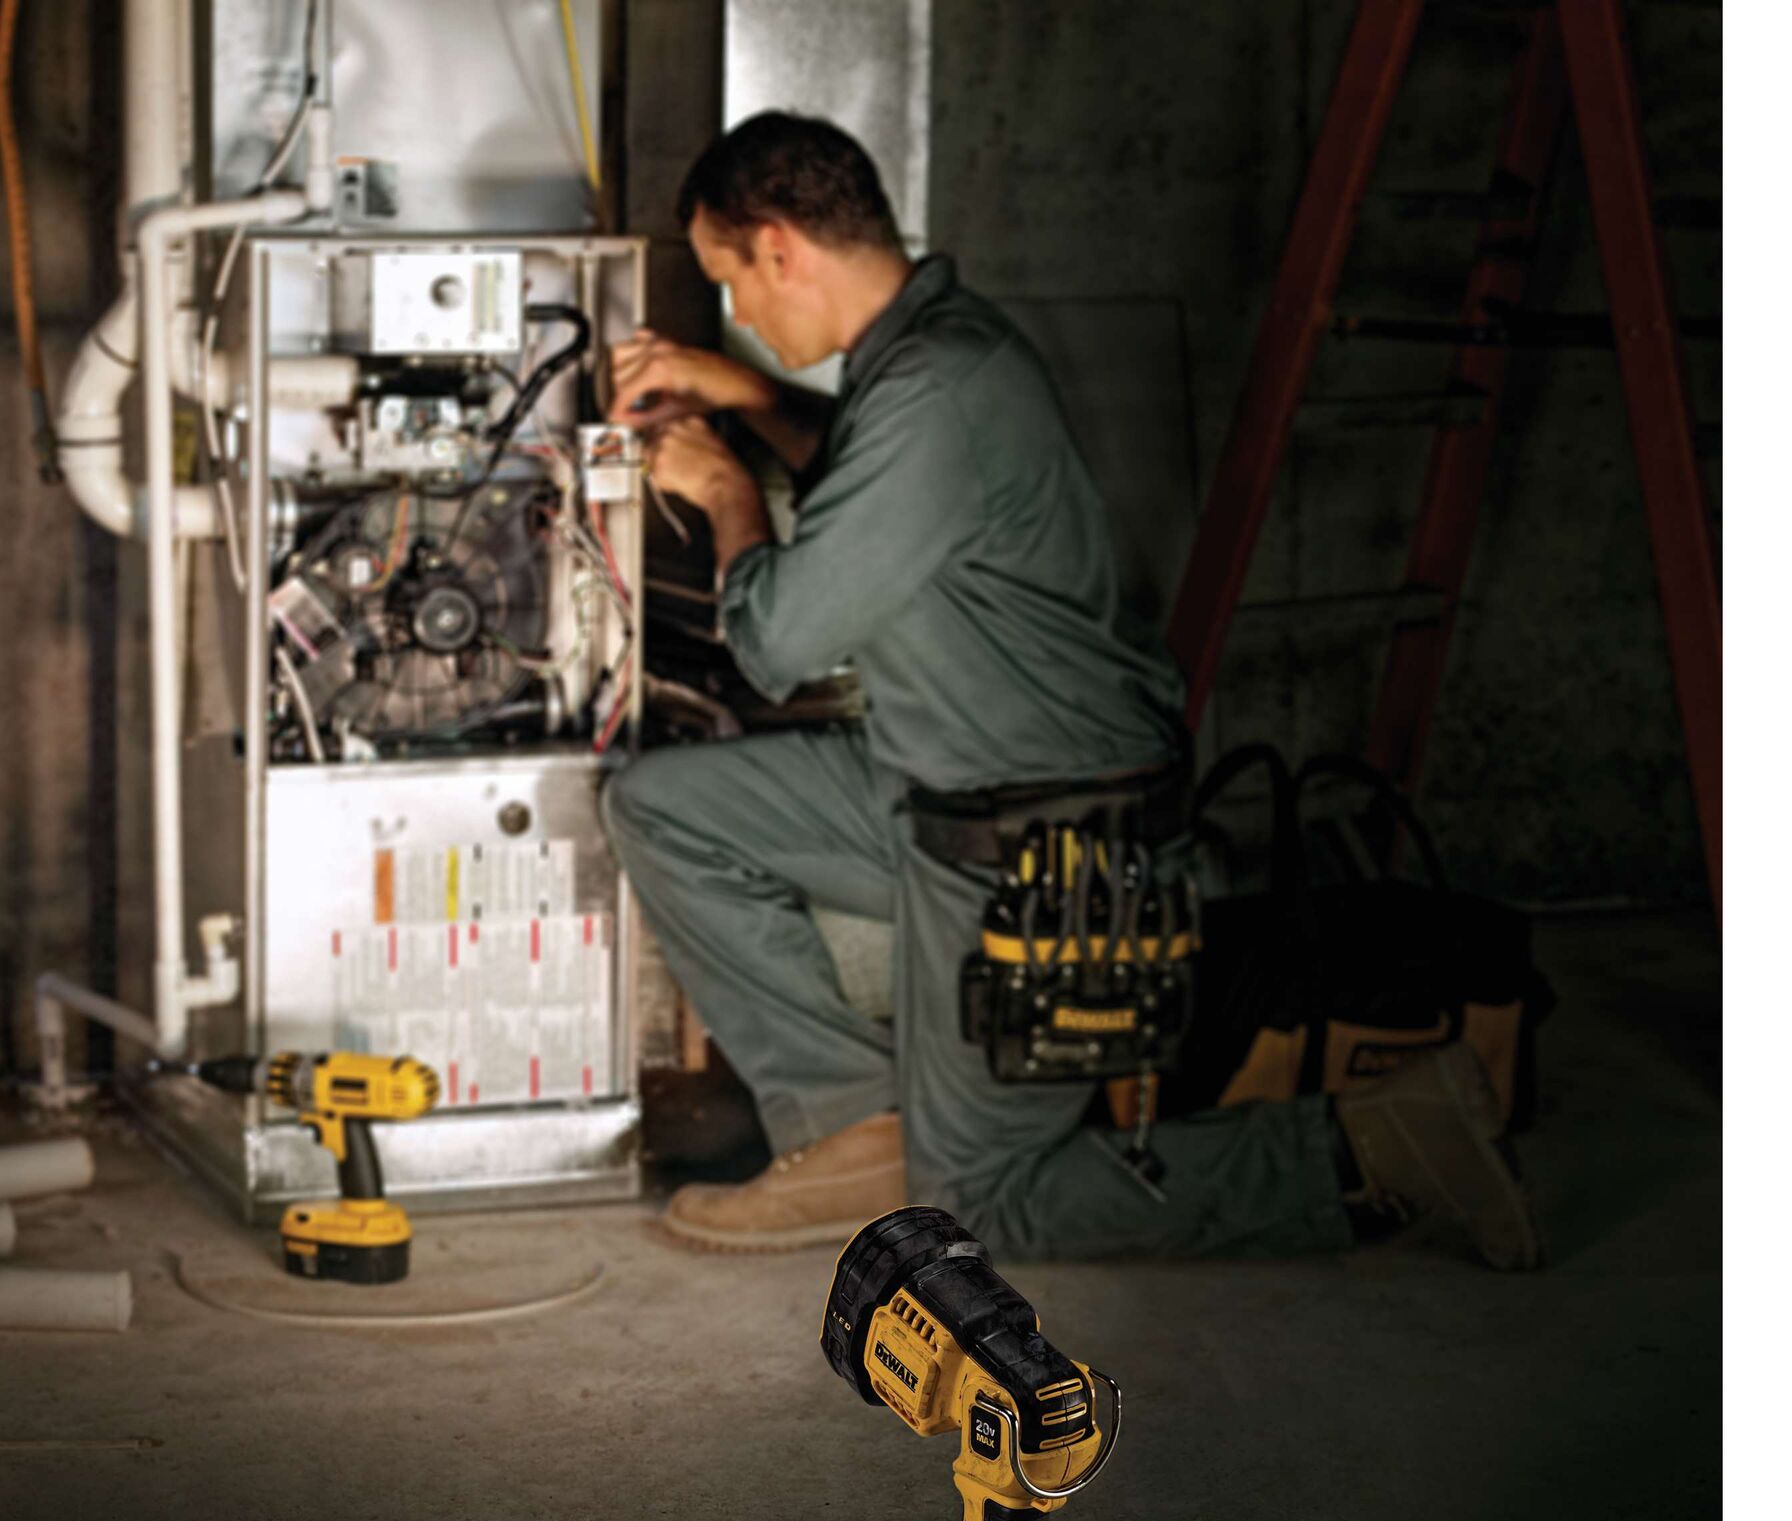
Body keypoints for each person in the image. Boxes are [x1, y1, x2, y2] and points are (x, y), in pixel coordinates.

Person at [601, 111, 1540, 1270]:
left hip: (1042, 843)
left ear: (782, 248)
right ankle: (855, 1127)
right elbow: (873, 474)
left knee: (988, 1205)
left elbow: (777, 642)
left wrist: (724, 491)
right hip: (933, 782)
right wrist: (743, 391)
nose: (738, 312)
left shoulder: (934, 387)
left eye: (731, 283)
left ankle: (1365, 1146)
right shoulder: (937, 345)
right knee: (664, 805)